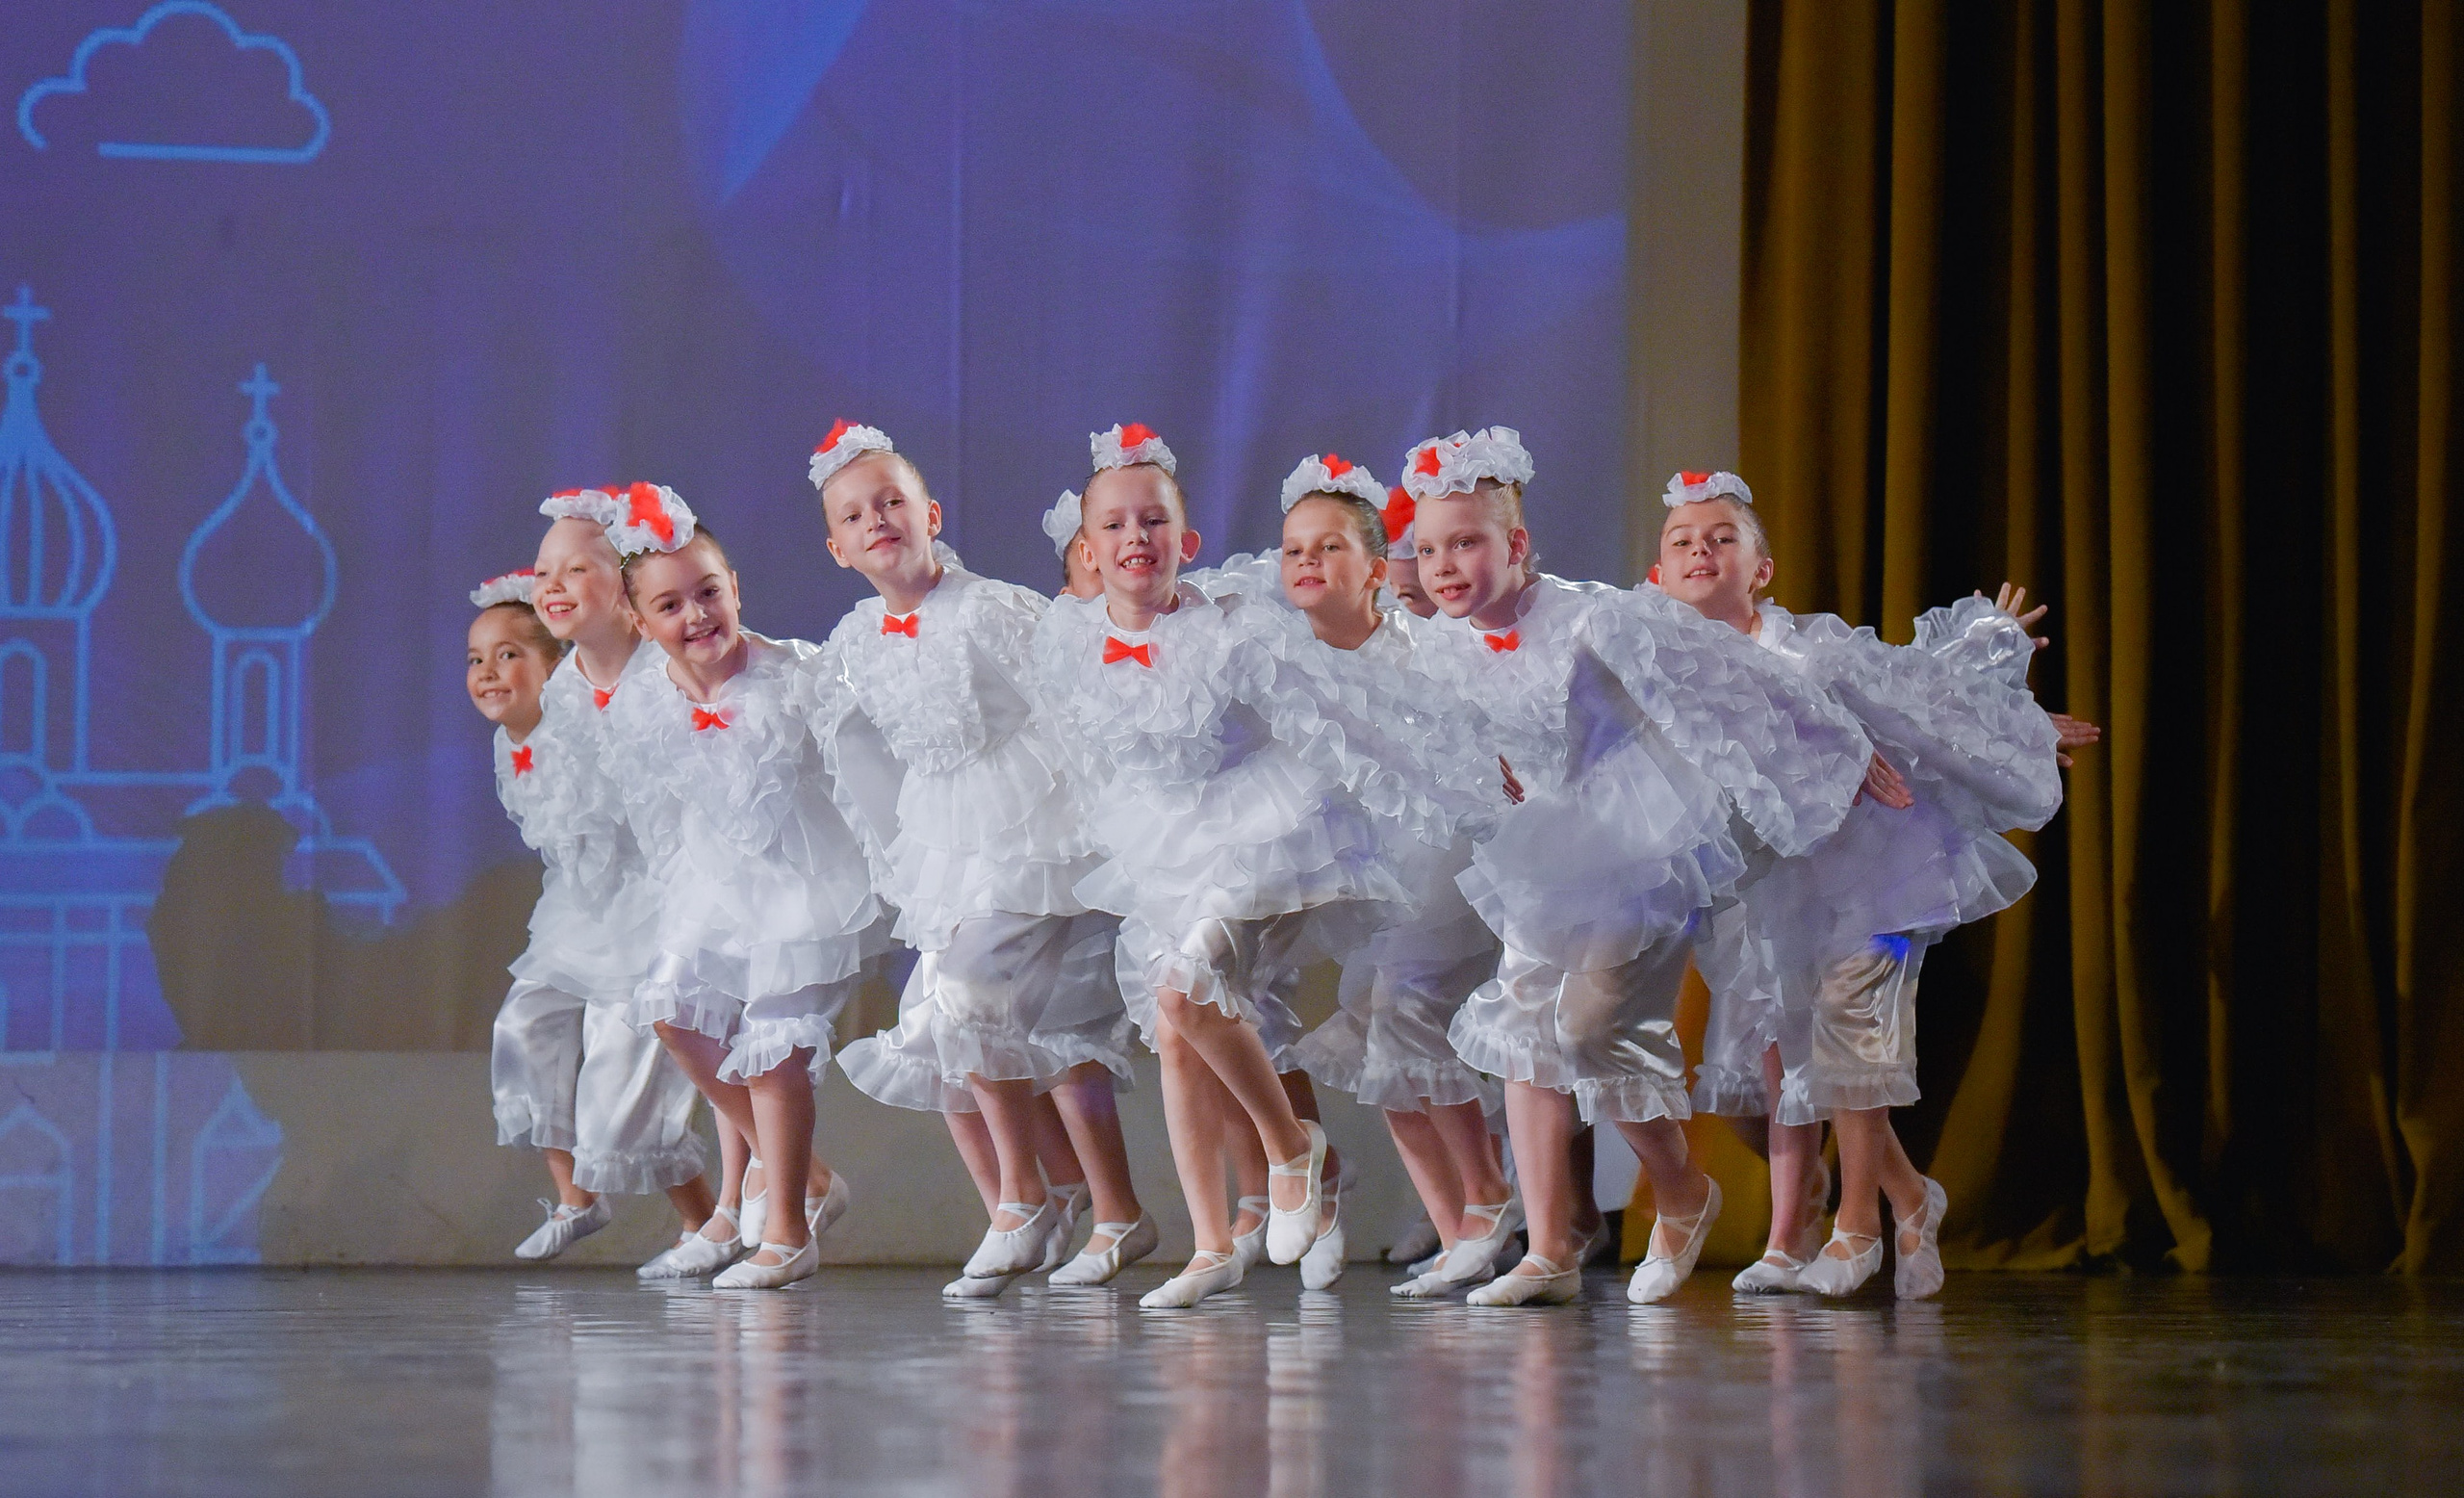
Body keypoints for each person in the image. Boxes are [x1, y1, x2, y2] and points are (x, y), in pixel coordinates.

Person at [1405, 427, 1875, 1305]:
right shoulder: (1441, 644)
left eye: (1465, 542)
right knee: (1523, 1031)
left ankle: (1683, 1187)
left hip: (1641, 837)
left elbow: (1733, 675)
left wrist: (1842, 746)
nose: (1443, 565)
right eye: (1428, 548)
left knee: (1587, 1027)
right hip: (1541, 844)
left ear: (1515, 545)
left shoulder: (1597, 616)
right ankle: (1548, 1250)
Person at [1654, 469, 2094, 1297]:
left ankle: (1857, 1228)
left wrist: (2014, 717)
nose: (1700, 550)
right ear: (1659, 575)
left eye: (1721, 537)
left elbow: (1919, 695)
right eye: (1682, 541)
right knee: (1801, 1053)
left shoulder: (1810, 646)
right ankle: (1909, 1196)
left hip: (1881, 868)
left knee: (1856, 1029)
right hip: (1775, 885)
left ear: (1761, 568)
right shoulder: (1670, 674)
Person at [1031, 424, 1414, 1308]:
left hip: (1255, 826)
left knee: (1184, 993)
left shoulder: (1236, 626)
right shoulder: (1068, 639)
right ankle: (1208, 1243)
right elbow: (1083, 748)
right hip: (1161, 842)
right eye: (1117, 527)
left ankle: (1292, 1151)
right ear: (1088, 551)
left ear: (1186, 540)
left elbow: (1335, 700)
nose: (1137, 541)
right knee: (1177, 1033)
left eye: (1155, 522)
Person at [808, 424, 1150, 1297]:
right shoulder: (855, 641)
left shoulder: (988, 609)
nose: (876, 519)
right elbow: (855, 750)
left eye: (891, 501)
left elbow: (1074, 700)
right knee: (941, 1022)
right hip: (948, 833)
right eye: (854, 514)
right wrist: (891, 854)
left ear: (929, 513)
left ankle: (1025, 1201)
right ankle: (1082, 1205)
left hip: (1033, 821)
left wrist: (1120, 822)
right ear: (838, 548)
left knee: (967, 1001)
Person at [605, 483, 886, 1290]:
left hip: (807, 883)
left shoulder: (796, 674)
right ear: (641, 622)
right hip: (719, 887)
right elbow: (662, 809)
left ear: (736, 590)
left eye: (709, 593)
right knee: (672, 1011)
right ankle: (804, 1175)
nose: (696, 615)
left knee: (774, 1049)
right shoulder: (645, 702)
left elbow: (868, 770)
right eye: (671, 605)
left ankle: (789, 1231)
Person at [1265, 455, 1527, 1299]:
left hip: (1447, 851)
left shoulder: (1425, 647)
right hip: (1380, 866)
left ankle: (1488, 1194)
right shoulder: (1287, 651)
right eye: (1298, 551)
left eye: (1333, 549)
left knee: (1406, 1004)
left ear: (1376, 569)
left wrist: (1502, 761)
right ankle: (1459, 1227)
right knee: (1376, 1026)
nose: (1311, 564)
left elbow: (1487, 718)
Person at [470, 539, 732, 1275]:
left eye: (508, 656)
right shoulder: (508, 745)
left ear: (552, 667)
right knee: (523, 1026)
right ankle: (576, 1198)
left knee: (627, 1083)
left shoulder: (582, 715)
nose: (488, 673)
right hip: (576, 912)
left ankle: (715, 1215)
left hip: (642, 909)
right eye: (475, 660)